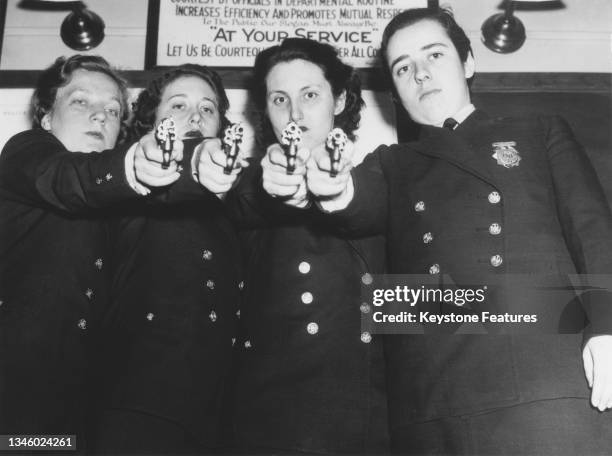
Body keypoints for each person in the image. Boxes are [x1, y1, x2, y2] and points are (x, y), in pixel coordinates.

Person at [272, 8, 612, 455]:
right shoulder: (390, 162)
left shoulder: (536, 130)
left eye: (434, 54)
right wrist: (330, 186)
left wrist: (606, 327)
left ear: (468, 62)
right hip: (431, 405)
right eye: (403, 67)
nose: (420, 73)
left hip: (545, 385)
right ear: (393, 88)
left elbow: (593, 232)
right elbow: (355, 201)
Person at [0, 55, 179, 449]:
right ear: (46, 116)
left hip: (81, 405)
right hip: (16, 396)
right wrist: (134, 164)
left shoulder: (121, 205)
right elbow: (66, 179)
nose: (101, 117)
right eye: (81, 102)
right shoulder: (26, 151)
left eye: (113, 111)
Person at [223, 38, 389, 454]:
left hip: (366, 416)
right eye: (280, 99)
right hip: (268, 419)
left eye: (310, 95)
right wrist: (271, 185)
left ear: (340, 100)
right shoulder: (246, 188)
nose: (295, 114)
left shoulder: (382, 178)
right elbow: (242, 203)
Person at [93, 64, 245, 454]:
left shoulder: (238, 205)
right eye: (178, 106)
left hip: (217, 417)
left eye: (208, 109)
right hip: (139, 405)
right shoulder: (132, 185)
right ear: (150, 125)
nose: (195, 116)